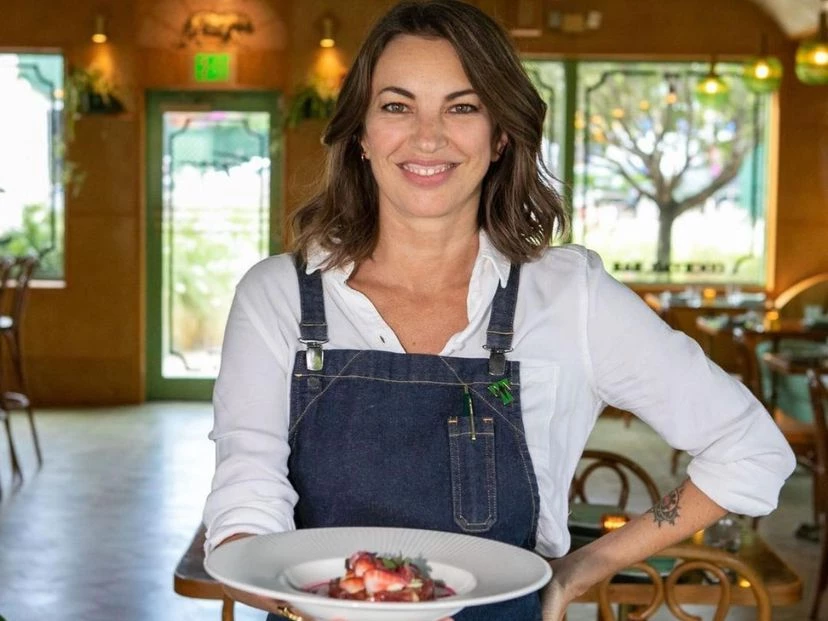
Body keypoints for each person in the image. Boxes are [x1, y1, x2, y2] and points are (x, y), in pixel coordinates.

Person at [202, 1, 796, 620]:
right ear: (361, 135)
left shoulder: (571, 297)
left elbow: (750, 449)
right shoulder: (277, 296)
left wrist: (587, 566)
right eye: (397, 106)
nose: (427, 137)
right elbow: (248, 495)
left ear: (501, 135)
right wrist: (284, 580)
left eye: (463, 107)